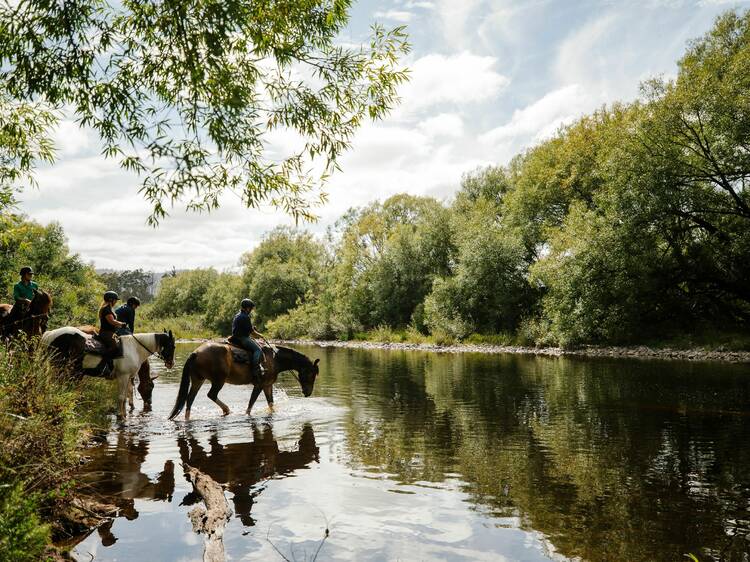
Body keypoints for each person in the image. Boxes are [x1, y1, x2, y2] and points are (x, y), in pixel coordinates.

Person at [231, 299, 267, 377]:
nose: (251, 310)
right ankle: (255, 369)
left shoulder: (237, 315)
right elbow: (252, 332)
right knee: (258, 350)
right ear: (247, 308)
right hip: (242, 338)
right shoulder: (245, 317)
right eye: (250, 308)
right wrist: (261, 335)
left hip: (235, 337)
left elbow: (244, 328)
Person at [98, 291, 127, 373]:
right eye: (115, 300)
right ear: (111, 300)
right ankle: (103, 364)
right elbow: (112, 321)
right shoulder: (106, 309)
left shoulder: (109, 308)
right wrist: (122, 324)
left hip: (110, 332)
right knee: (115, 347)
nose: (116, 302)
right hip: (106, 333)